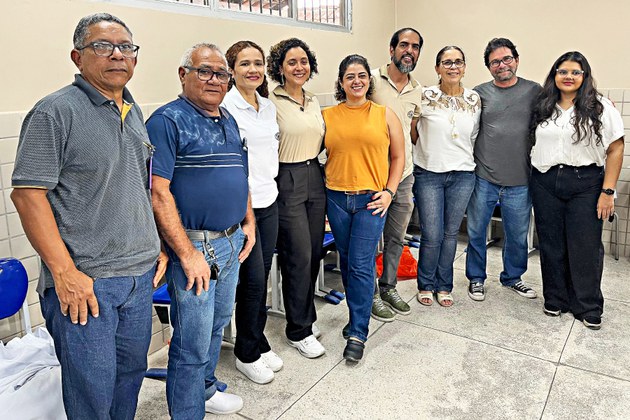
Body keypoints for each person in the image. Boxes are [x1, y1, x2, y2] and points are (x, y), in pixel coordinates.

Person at [10, 13, 166, 419]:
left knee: (129, 376)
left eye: (126, 47)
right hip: (87, 284)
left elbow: (136, 188)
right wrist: (64, 273)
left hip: (138, 275)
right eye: (102, 46)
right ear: (77, 56)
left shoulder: (131, 112)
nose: (117, 55)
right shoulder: (54, 112)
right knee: (91, 393)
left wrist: (157, 245)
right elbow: (28, 196)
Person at [147, 43, 255, 417]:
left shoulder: (227, 118)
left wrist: (248, 221)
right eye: (204, 71)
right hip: (195, 250)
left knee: (218, 324)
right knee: (191, 343)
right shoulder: (167, 121)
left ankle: (206, 389)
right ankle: (188, 411)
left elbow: (238, 174)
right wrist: (187, 253)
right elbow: (157, 192)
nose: (214, 80)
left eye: (221, 74)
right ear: (183, 74)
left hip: (231, 241)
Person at [529, 51, 624, 330]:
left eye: (575, 72)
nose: (568, 77)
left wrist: (608, 191)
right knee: (551, 243)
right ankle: (556, 298)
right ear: (554, 75)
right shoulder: (544, 105)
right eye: (562, 71)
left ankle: (588, 305)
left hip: (586, 183)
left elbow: (616, 148)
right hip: (546, 180)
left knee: (585, 245)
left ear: (584, 76)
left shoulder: (601, 106)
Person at [322, 54, 404, 362]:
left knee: (359, 263)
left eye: (362, 75)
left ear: (368, 81)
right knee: (346, 260)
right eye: (349, 76)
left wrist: (389, 192)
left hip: (372, 200)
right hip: (337, 198)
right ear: (341, 83)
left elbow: (398, 157)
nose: (356, 81)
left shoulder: (384, 114)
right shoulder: (328, 115)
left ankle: (358, 330)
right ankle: (355, 316)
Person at [222, 40, 283, 384]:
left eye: (258, 63)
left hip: (269, 199)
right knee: (253, 281)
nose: (253, 70)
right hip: (243, 208)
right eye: (244, 64)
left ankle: (258, 339)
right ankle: (246, 353)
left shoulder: (266, 106)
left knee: (264, 274)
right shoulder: (227, 108)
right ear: (232, 70)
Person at [465, 38, 542, 302]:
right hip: (483, 177)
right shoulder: (478, 93)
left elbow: (562, 108)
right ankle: (476, 278)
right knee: (476, 231)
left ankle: (512, 278)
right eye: (495, 61)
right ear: (488, 67)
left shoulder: (535, 91)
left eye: (507, 58)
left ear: (517, 60)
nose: (502, 65)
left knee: (518, 234)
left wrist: (602, 103)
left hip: (520, 179)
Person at [267, 38, 327, 358]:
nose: (299, 67)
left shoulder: (314, 100)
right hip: (286, 177)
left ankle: (305, 316)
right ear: (280, 68)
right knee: (298, 255)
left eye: (304, 61)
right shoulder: (270, 100)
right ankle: (298, 330)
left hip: (314, 177)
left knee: (314, 253)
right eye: (292, 62)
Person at [414, 46, 481, 307]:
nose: (453, 67)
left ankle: (444, 285)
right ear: (437, 68)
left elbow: (473, 136)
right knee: (432, 234)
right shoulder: (424, 95)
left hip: (463, 174)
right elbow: (413, 131)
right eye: (446, 62)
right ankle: (426, 284)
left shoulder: (475, 99)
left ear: (464, 67)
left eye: (458, 62)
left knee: (451, 233)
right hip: (429, 173)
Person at [370, 27, 423, 321]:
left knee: (396, 238)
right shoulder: (371, 80)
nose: (409, 51)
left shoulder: (419, 90)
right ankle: (371, 295)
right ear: (391, 49)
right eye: (404, 45)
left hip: (403, 176)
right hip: (372, 176)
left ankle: (388, 286)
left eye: (415, 47)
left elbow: (412, 132)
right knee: (368, 240)